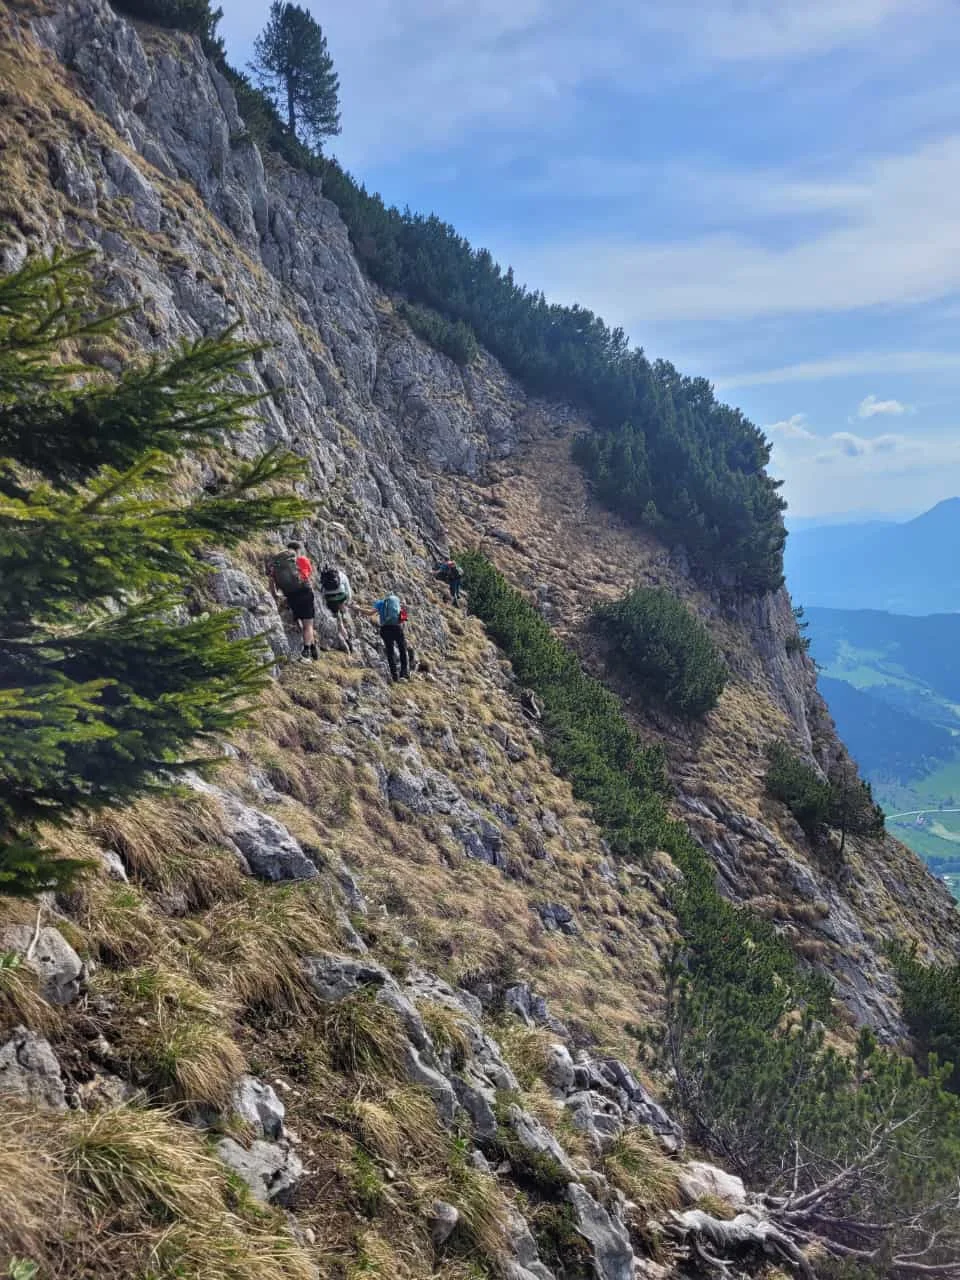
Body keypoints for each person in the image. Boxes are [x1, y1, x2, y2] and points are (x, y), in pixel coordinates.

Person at [268, 541, 318, 660]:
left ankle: (312, 646)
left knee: (300, 620)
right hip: (305, 592)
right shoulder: (302, 560)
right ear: (298, 550)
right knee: (308, 623)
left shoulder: (279, 564)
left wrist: (275, 594)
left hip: (290, 595)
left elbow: (271, 580)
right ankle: (306, 649)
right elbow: (308, 575)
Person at [370, 592, 409, 682]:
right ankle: (404, 673)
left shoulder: (379, 603)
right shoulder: (397, 602)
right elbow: (403, 614)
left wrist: (357, 608)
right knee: (402, 649)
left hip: (385, 629)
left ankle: (394, 676)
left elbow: (370, 613)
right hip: (397, 628)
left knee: (390, 652)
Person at [320, 564, 354, 653]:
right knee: (342, 609)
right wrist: (348, 601)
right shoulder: (342, 575)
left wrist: (325, 601)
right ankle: (347, 640)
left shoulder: (324, 576)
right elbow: (348, 590)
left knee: (338, 620)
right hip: (341, 595)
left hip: (330, 598)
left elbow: (322, 590)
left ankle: (340, 620)